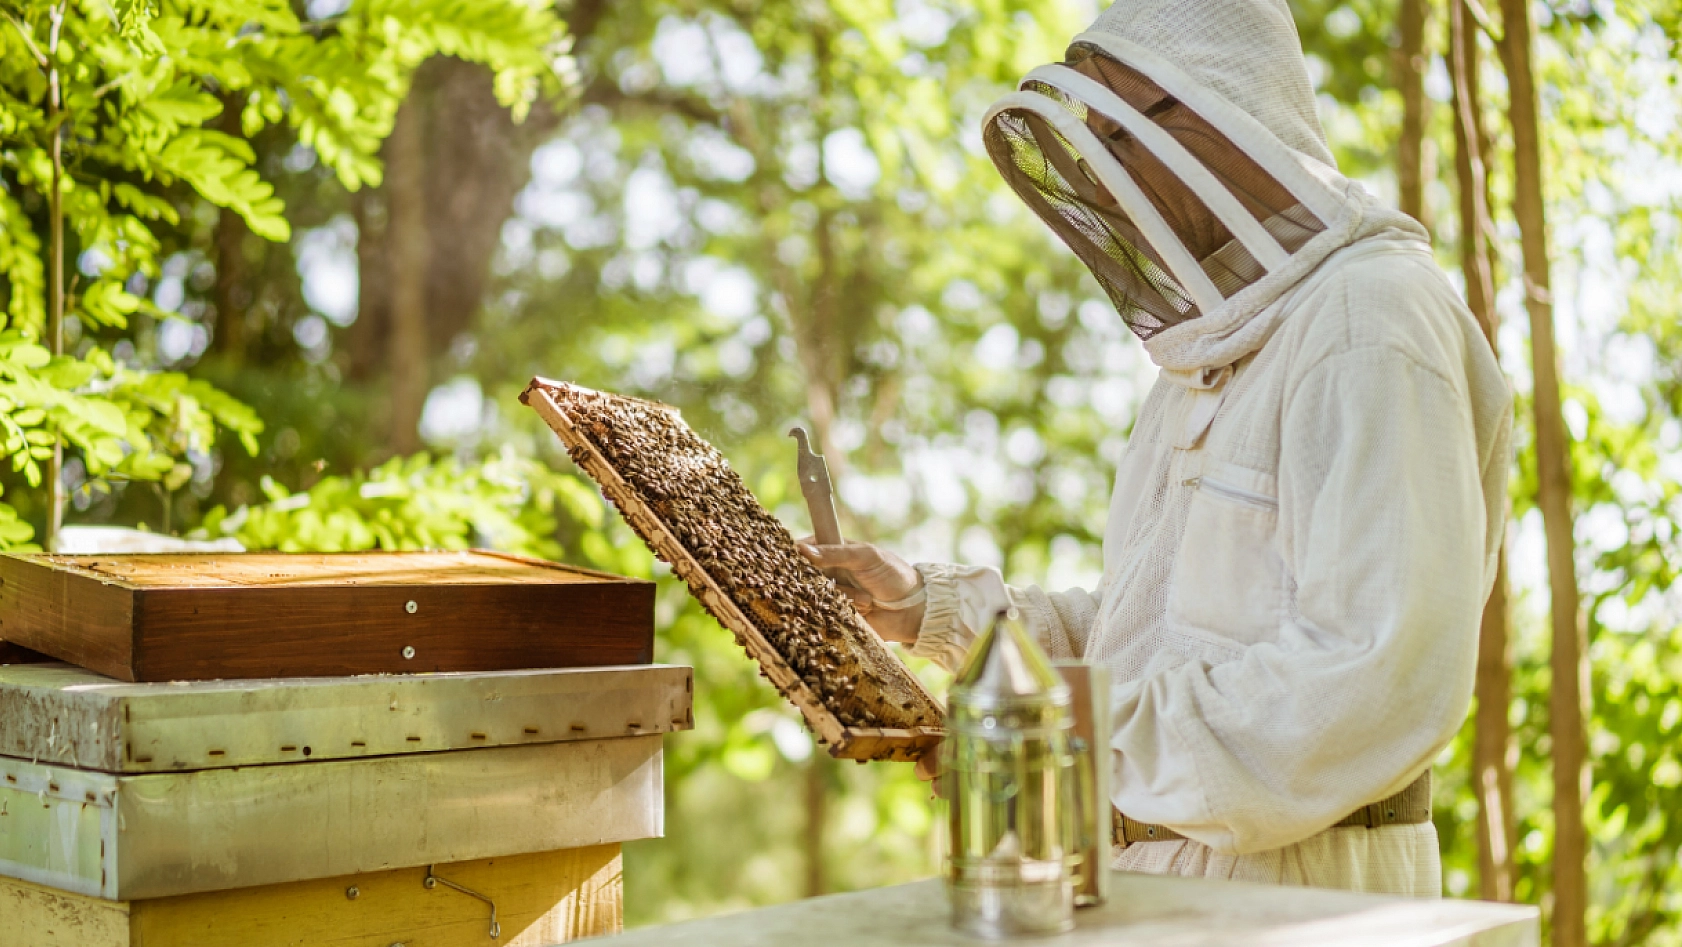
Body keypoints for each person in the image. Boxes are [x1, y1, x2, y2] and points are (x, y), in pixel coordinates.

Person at [798, 0, 1511, 896]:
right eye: (1094, 140)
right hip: (1147, 876)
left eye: (1121, 135)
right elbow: (1142, 638)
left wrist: (1065, 735)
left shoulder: (1368, 319)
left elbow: (1371, 675)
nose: (1104, 179)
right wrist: (930, 608)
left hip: (1300, 893)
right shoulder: (1205, 359)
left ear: (1219, 112)